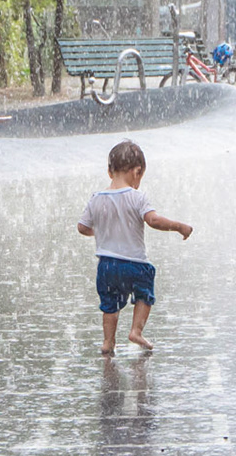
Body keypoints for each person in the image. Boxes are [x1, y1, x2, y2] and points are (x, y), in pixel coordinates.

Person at [76, 139, 192, 354]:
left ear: (110, 172)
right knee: (144, 292)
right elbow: (154, 221)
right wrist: (179, 226)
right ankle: (136, 331)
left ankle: (108, 342)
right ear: (137, 172)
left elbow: (82, 227)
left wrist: (101, 231)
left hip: (107, 266)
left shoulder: (96, 198)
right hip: (134, 263)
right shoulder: (138, 197)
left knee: (110, 304)